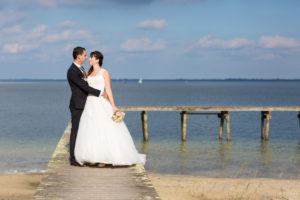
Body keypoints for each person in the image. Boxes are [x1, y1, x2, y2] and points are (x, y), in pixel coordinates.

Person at [74, 51, 146, 166]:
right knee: (91, 129)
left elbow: (108, 90)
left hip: (101, 103)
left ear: (97, 60)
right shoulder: (87, 73)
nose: (89, 59)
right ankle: (93, 156)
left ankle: (103, 158)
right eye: (89, 57)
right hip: (89, 103)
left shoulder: (105, 72)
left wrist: (113, 105)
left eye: (92, 58)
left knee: (104, 128)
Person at [67, 47, 108, 167]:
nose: (86, 57)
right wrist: (100, 93)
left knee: (83, 131)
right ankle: (73, 158)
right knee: (75, 131)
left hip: (85, 104)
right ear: (78, 56)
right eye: (85, 55)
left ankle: (83, 154)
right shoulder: (72, 71)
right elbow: (84, 87)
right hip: (77, 105)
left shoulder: (82, 69)